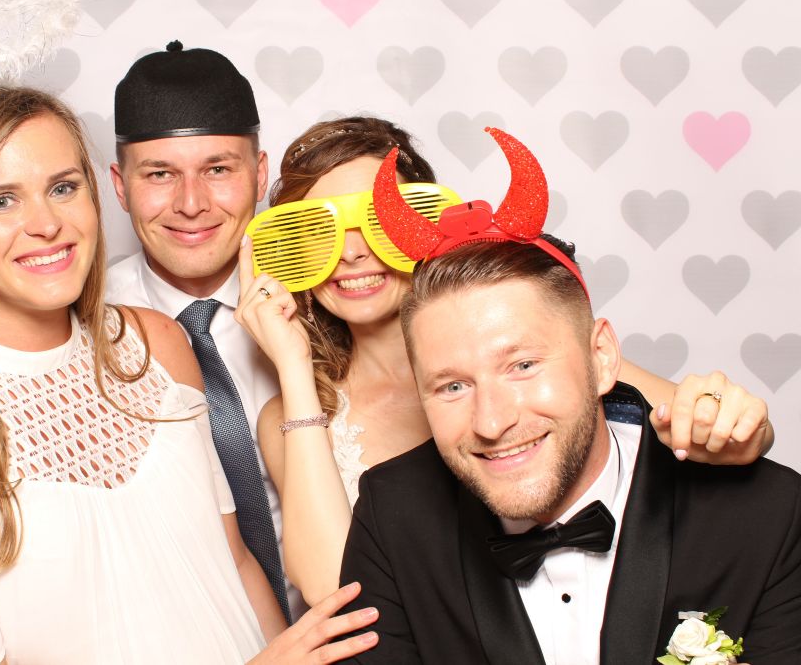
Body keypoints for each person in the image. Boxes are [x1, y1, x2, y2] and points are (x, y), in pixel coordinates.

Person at [0, 86, 378, 664]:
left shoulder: (156, 344)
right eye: (1, 201)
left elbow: (237, 562)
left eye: (62, 188)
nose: (46, 223)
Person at [235, 117, 776, 606]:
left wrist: (736, 421)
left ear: (421, 224)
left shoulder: (532, 352)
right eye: (316, 234)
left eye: (378, 222)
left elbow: (714, 428)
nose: (352, 253)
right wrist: (293, 364)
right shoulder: (295, 414)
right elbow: (334, 591)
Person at [334, 128, 801, 663]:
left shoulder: (765, 514)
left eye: (523, 366)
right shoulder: (393, 517)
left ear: (601, 357)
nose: (491, 422)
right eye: (453, 386)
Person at [105, 41, 302, 620]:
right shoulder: (80, 328)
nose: (191, 204)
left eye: (218, 169)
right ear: (120, 185)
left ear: (259, 175)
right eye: (160, 174)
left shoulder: (327, 299)